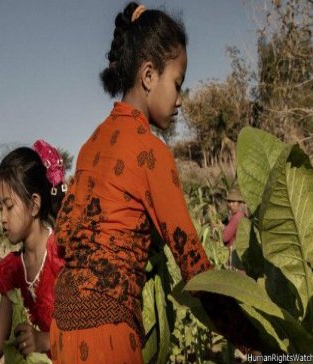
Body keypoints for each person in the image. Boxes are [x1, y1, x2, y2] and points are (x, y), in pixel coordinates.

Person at [50, 3, 261, 362]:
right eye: (177, 84)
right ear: (149, 76)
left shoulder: (91, 145)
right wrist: (257, 345)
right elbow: (194, 266)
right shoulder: (150, 151)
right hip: (108, 336)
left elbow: (65, 238)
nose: (179, 100)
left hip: (62, 330)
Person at [0, 140, 66, 363]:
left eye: (9, 206)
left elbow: (89, 331)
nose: (2, 218)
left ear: (34, 205)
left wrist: (45, 340)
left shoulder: (64, 254)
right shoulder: (12, 270)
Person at [223, 187, 247, 269]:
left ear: (240, 203)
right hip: (241, 254)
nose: (230, 205)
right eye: (229, 202)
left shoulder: (237, 217)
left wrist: (219, 228)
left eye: (233, 202)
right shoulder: (243, 215)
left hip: (234, 255)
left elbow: (225, 237)